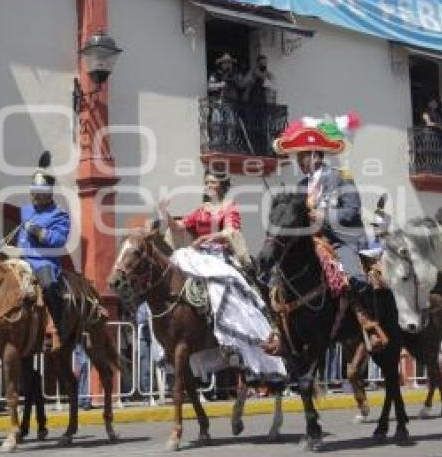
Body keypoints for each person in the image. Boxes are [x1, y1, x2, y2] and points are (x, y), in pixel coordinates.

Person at [272, 115, 388, 351]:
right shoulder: (301, 187)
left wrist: (324, 218)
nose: (300, 161)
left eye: (302, 156)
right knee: (278, 275)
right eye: (298, 157)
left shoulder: (340, 176)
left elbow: (352, 211)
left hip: (340, 240)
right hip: (310, 241)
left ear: (315, 154)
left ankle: (369, 324)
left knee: (353, 278)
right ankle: (280, 334)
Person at [158, 169, 285, 382]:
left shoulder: (230, 207)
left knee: (222, 287)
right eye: (206, 181)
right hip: (199, 255)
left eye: (212, 181)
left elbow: (230, 233)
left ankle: (228, 336)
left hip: (219, 255)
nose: (208, 185)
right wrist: (165, 212)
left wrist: (207, 237)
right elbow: (178, 227)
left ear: (221, 185)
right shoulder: (201, 210)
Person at [16, 151, 71, 339]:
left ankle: (57, 323)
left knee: (48, 285)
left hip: (43, 262)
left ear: (49, 194)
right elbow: (21, 238)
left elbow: (59, 240)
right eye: (33, 193)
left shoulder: (59, 214)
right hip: (22, 259)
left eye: (38, 194)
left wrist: (39, 232)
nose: (34, 197)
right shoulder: (25, 210)